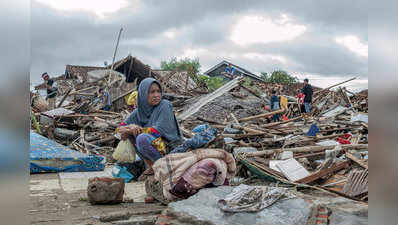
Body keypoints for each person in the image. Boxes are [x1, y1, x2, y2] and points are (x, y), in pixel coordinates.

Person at [119, 78, 183, 180]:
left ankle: (161, 166)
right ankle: (153, 166)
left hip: (170, 147)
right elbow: (118, 130)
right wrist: (129, 128)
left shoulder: (165, 105)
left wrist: (131, 130)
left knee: (142, 138)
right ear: (143, 94)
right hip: (156, 148)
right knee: (132, 134)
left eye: (158, 91)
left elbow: (157, 132)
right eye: (152, 92)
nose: (156, 95)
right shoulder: (138, 112)